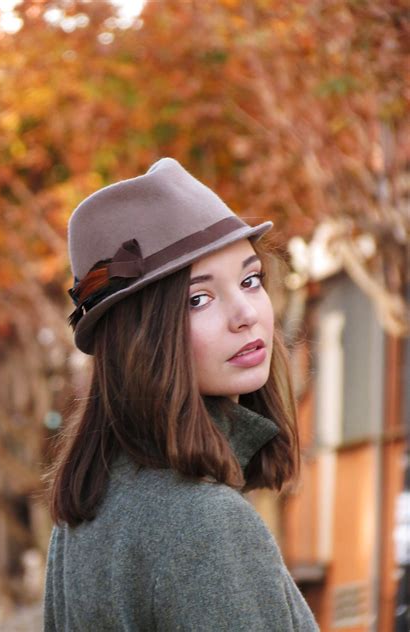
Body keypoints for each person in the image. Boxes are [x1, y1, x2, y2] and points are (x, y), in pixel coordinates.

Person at [43, 158, 319, 631]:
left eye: (250, 280)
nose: (245, 313)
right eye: (199, 298)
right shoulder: (206, 523)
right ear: (141, 336)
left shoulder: (83, 518)